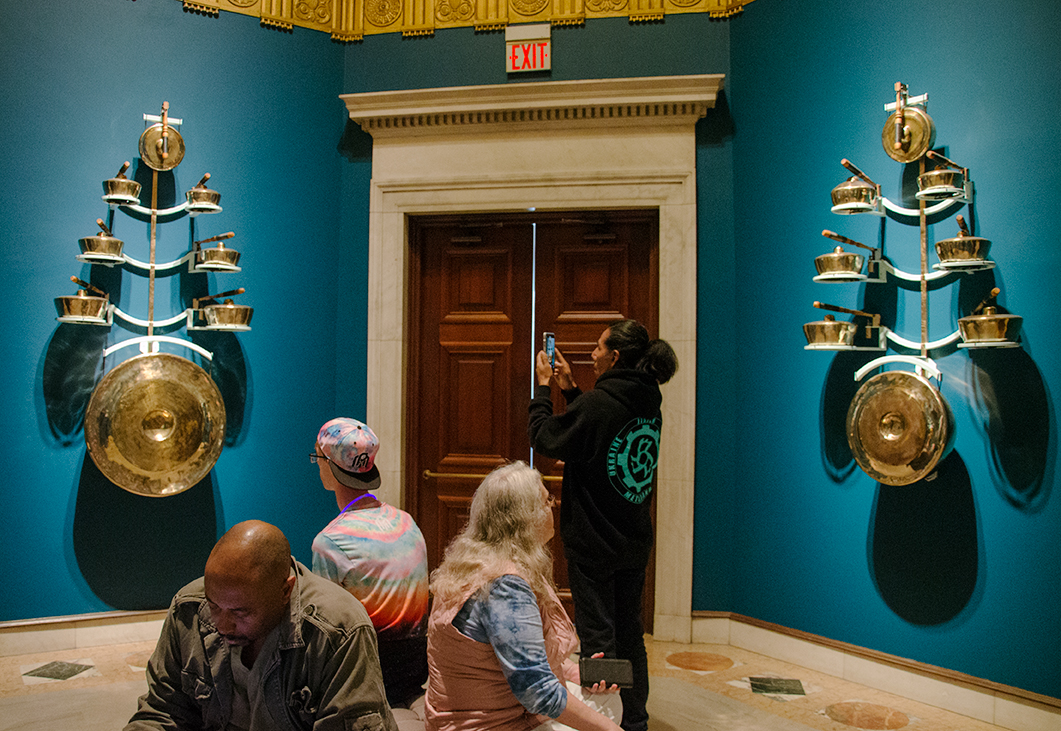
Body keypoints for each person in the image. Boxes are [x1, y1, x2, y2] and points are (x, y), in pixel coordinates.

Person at [527, 319, 678, 731]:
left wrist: (544, 388)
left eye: (597, 348)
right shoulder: (647, 401)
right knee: (630, 637)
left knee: (597, 644)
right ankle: (635, 723)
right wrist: (571, 389)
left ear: (614, 357)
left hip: (594, 543)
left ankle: (602, 726)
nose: (591, 354)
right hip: (631, 541)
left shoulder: (599, 405)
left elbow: (543, 436)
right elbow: (603, 439)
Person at [125, 520, 397, 731]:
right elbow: (163, 711)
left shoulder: (338, 630)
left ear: (284, 591)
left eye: (240, 613)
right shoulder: (188, 609)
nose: (222, 624)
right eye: (214, 605)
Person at [424, 461, 624, 731]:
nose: (553, 505)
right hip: (489, 725)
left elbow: (516, 659)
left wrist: (575, 673)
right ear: (524, 518)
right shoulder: (505, 586)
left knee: (607, 698)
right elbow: (537, 691)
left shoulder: (475, 561)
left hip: (463, 717)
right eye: (545, 501)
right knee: (609, 709)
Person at [310, 417, 430, 709]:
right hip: (417, 666)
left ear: (329, 464)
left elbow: (325, 628)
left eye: (317, 457)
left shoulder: (330, 542)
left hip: (369, 672)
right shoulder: (406, 522)